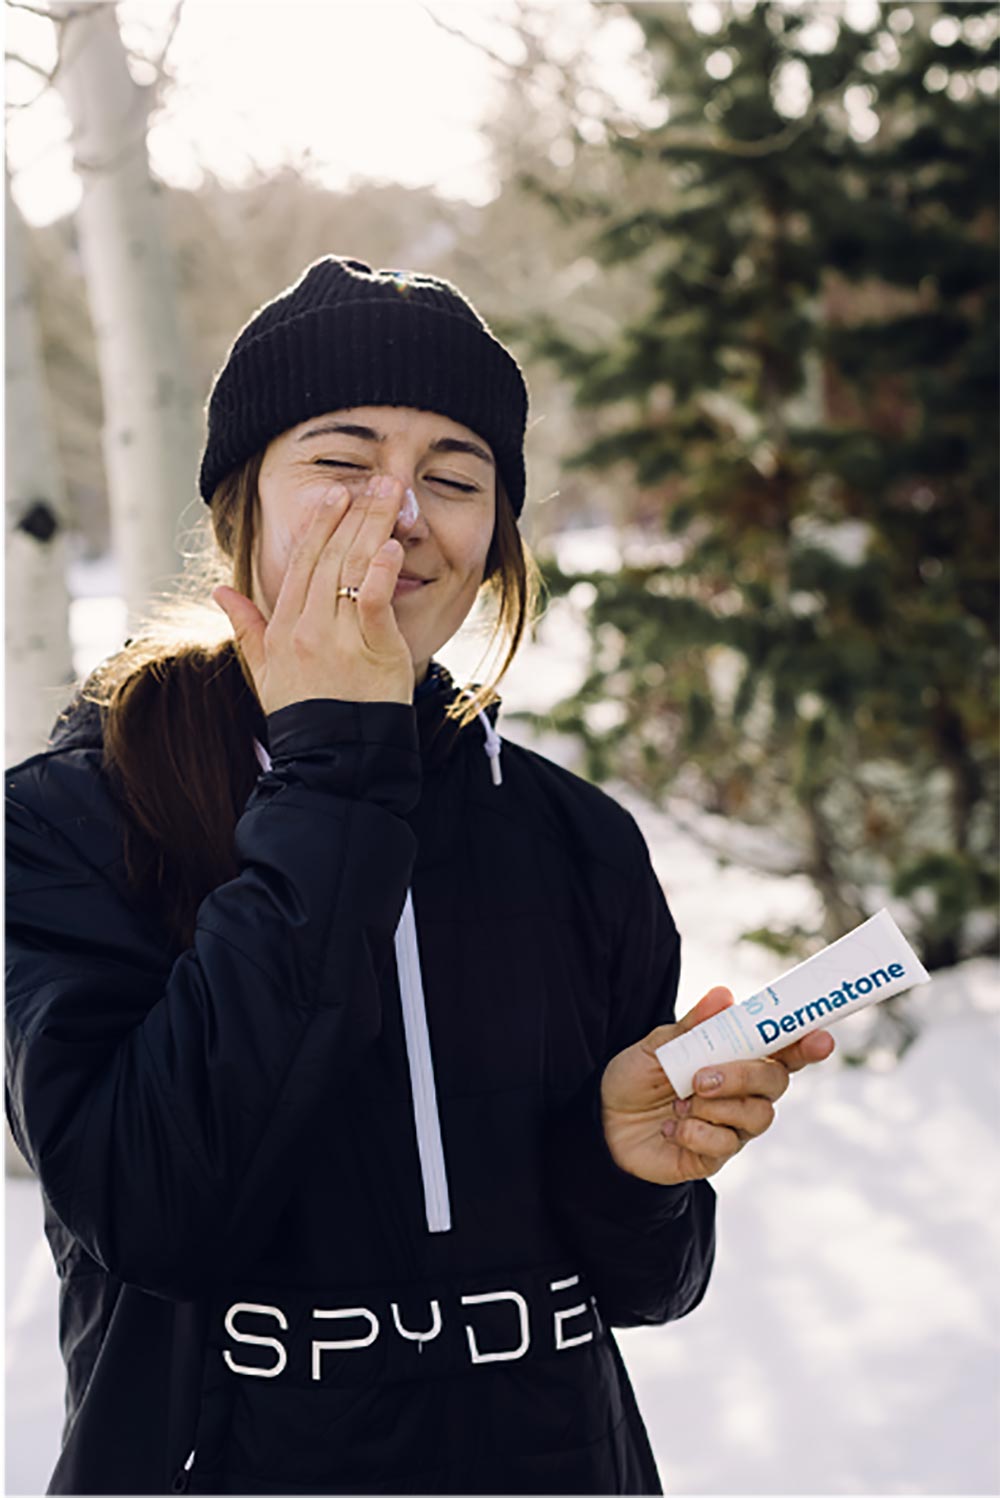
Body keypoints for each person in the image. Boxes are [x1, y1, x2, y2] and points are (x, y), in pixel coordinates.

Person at [5, 256, 835, 1497]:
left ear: (494, 538)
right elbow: (156, 1209)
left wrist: (625, 1165)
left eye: (454, 479)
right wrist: (336, 767)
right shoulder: (73, 816)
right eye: (342, 462)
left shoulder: (576, 837)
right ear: (239, 505)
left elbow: (647, 1287)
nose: (400, 514)